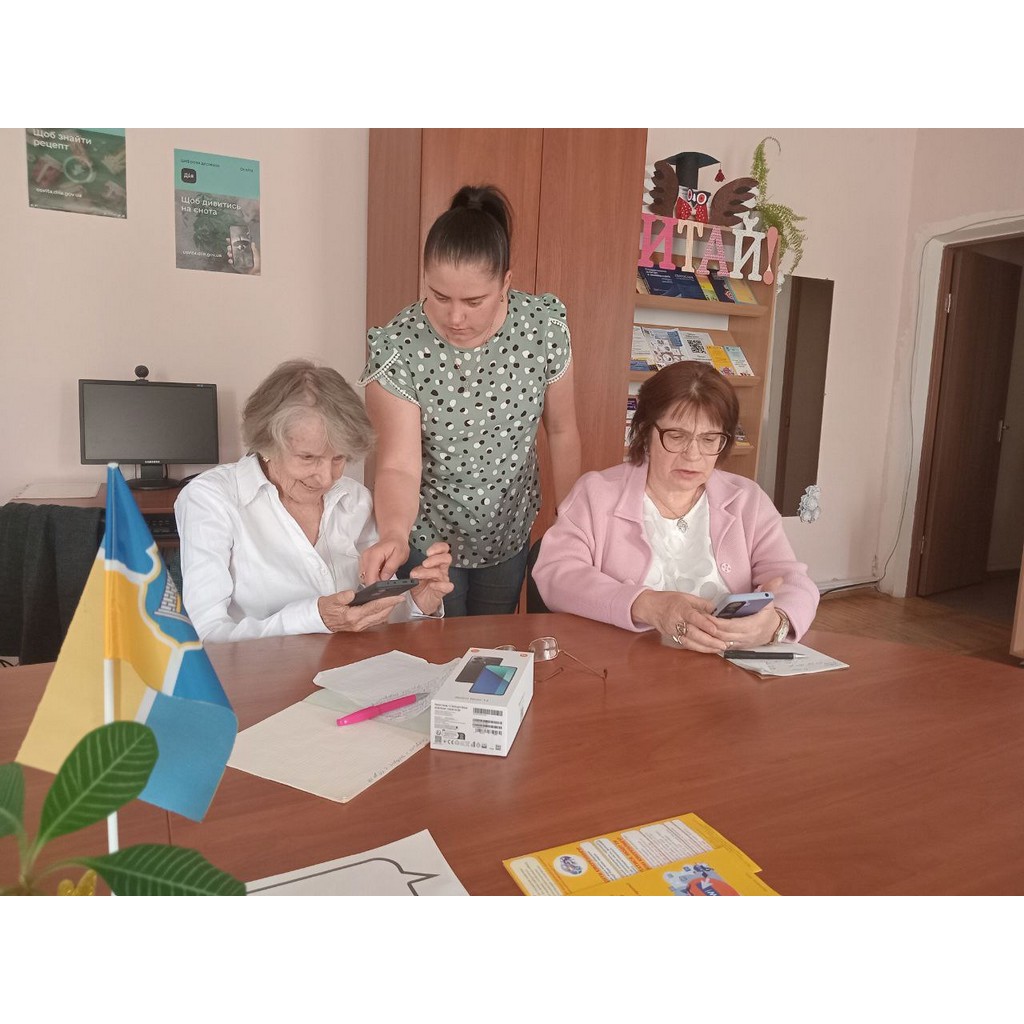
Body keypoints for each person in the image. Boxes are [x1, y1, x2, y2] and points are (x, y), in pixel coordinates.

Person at [358, 184, 581, 617]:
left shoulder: (543, 330)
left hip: (508, 529)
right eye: (440, 297)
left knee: (493, 643)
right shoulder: (399, 347)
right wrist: (394, 535)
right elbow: (399, 465)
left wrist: (571, 520)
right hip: (428, 537)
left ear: (505, 283)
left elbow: (562, 430)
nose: (455, 317)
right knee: (435, 644)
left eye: (474, 301)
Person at [532, 362, 819, 652]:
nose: (693, 454)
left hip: (724, 668)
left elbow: (794, 581)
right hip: (620, 666)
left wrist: (776, 623)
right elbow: (557, 574)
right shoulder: (596, 494)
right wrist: (645, 604)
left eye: (709, 439)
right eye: (677, 436)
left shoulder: (747, 500)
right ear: (645, 431)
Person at [175, 359, 452, 642]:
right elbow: (206, 635)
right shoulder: (210, 499)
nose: (326, 478)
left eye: (338, 458)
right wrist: (314, 618)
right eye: (308, 457)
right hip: (264, 670)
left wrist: (415, 604)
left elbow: (372, 616)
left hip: (354, 665)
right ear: (266, 443)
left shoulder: (355, 499)